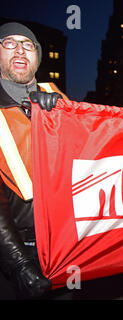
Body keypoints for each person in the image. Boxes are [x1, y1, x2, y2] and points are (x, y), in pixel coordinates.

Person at [0, 22, 63, 299]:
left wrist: (63, 117)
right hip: (19, 250)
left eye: (28, 44)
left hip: (64, 246)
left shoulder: (60, 99)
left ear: (37, 56)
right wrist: (19, 262)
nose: (20, 50)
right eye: (9, 43)